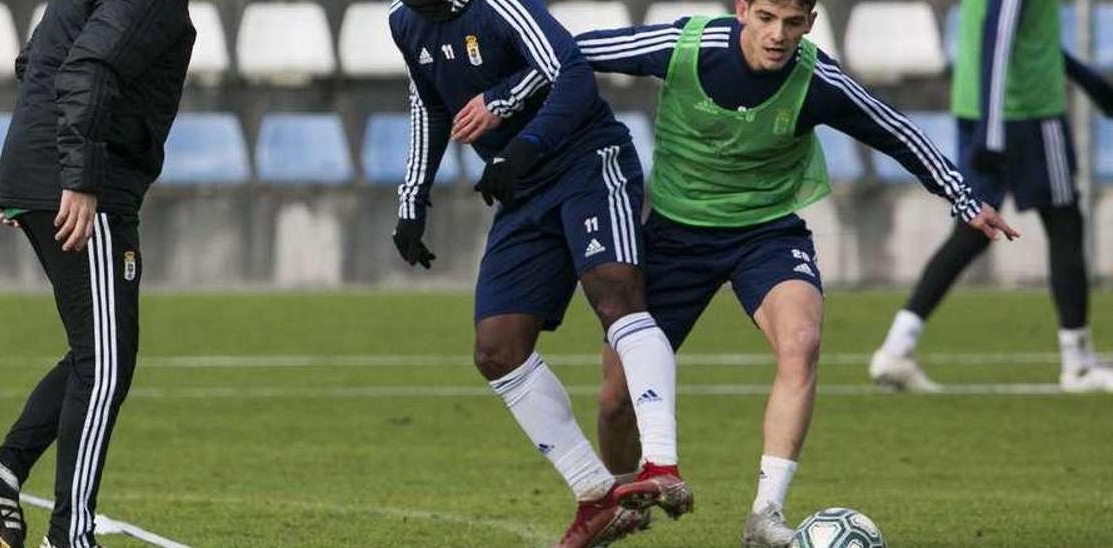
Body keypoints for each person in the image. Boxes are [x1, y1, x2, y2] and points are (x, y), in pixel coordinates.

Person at [461, 0, 1017, 545]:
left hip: (766, 236)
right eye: (767, 18)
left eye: (793, 22)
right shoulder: (685, 47)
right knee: (615, 400)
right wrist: (502, 98)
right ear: (743, 8)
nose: (778, 34)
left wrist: (963, 197)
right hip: (675, 237)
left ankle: (766, 514)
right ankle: (626, 502)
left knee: (802, 341)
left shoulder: (818, 79)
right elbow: (571, 55)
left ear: (811, 23)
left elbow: (895, 131)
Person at [388, 0, 690, 545]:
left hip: (586, 162)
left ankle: (661, 464)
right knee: (496, 349)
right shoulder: (403, 20)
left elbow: (571, 70)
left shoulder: (498, 5)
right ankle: (596, 497)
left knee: (616, 296)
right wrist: (413, 199)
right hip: (522, 189)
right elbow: (427, 102)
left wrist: (521, 140)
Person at [0, 2, 194, 547]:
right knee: (105, 363)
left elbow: (35, 59)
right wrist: (77, 177)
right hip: (87, 185)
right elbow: (86, 68)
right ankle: (71, 535)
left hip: (49, 173)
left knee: (101, 351)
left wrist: (33, 168)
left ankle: (5, 470)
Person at [871, 0, 1113, 393]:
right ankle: (1078, 362)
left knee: (973, 228)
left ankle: (897, 347)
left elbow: (1026, 37)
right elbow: (998, 33)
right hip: (1026, 113)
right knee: (1066, 221)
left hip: (981, 108)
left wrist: (1089, 82)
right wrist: (993, 131)